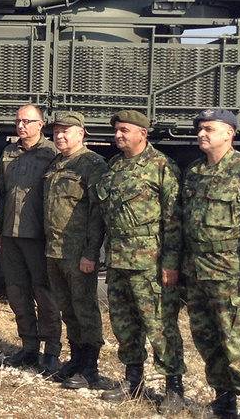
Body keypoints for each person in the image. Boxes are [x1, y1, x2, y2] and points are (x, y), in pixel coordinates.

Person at [182, 109, 240, 419]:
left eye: (209, 128)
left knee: (236, 340)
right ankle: (223, 398)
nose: (201, 134)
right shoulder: (194, 172)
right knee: (206, 337)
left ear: (229, 133)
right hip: (197, 270)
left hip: (229, 271)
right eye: (199, 129)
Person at [96, 110, 185, 412]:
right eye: (116, 130)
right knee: (124, 325)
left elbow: (173, 221)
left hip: (151, 263)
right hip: (119, 261)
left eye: (124, 130)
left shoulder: (162, 167)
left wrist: (170, 264)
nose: (118, 135)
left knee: (160, 327)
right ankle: (133, 380)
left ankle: (174, 387)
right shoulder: (114, 167)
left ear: (142, 134)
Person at [43, 111, 110, 390]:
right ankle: (76, 359)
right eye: (57, 131)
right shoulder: (56, 162)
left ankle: (90, 367)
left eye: (66, 131)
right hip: (55, 250)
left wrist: (91, 253)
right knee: (67, 308)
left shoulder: (92, 164)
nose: (60, 135)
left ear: (81, 133)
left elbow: (97, 214)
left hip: (77, 252)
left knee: (85, 309)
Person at [0, 104, 61, 373]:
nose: (21, 125)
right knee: (17, 292)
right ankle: (29, 347)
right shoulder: (9, 152)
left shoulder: (52, 154)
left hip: (38, 235)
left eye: (28, 121)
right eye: (18, 121)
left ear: (40, 125)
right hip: (11, 234)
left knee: (44, 294)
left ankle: (52, 350)